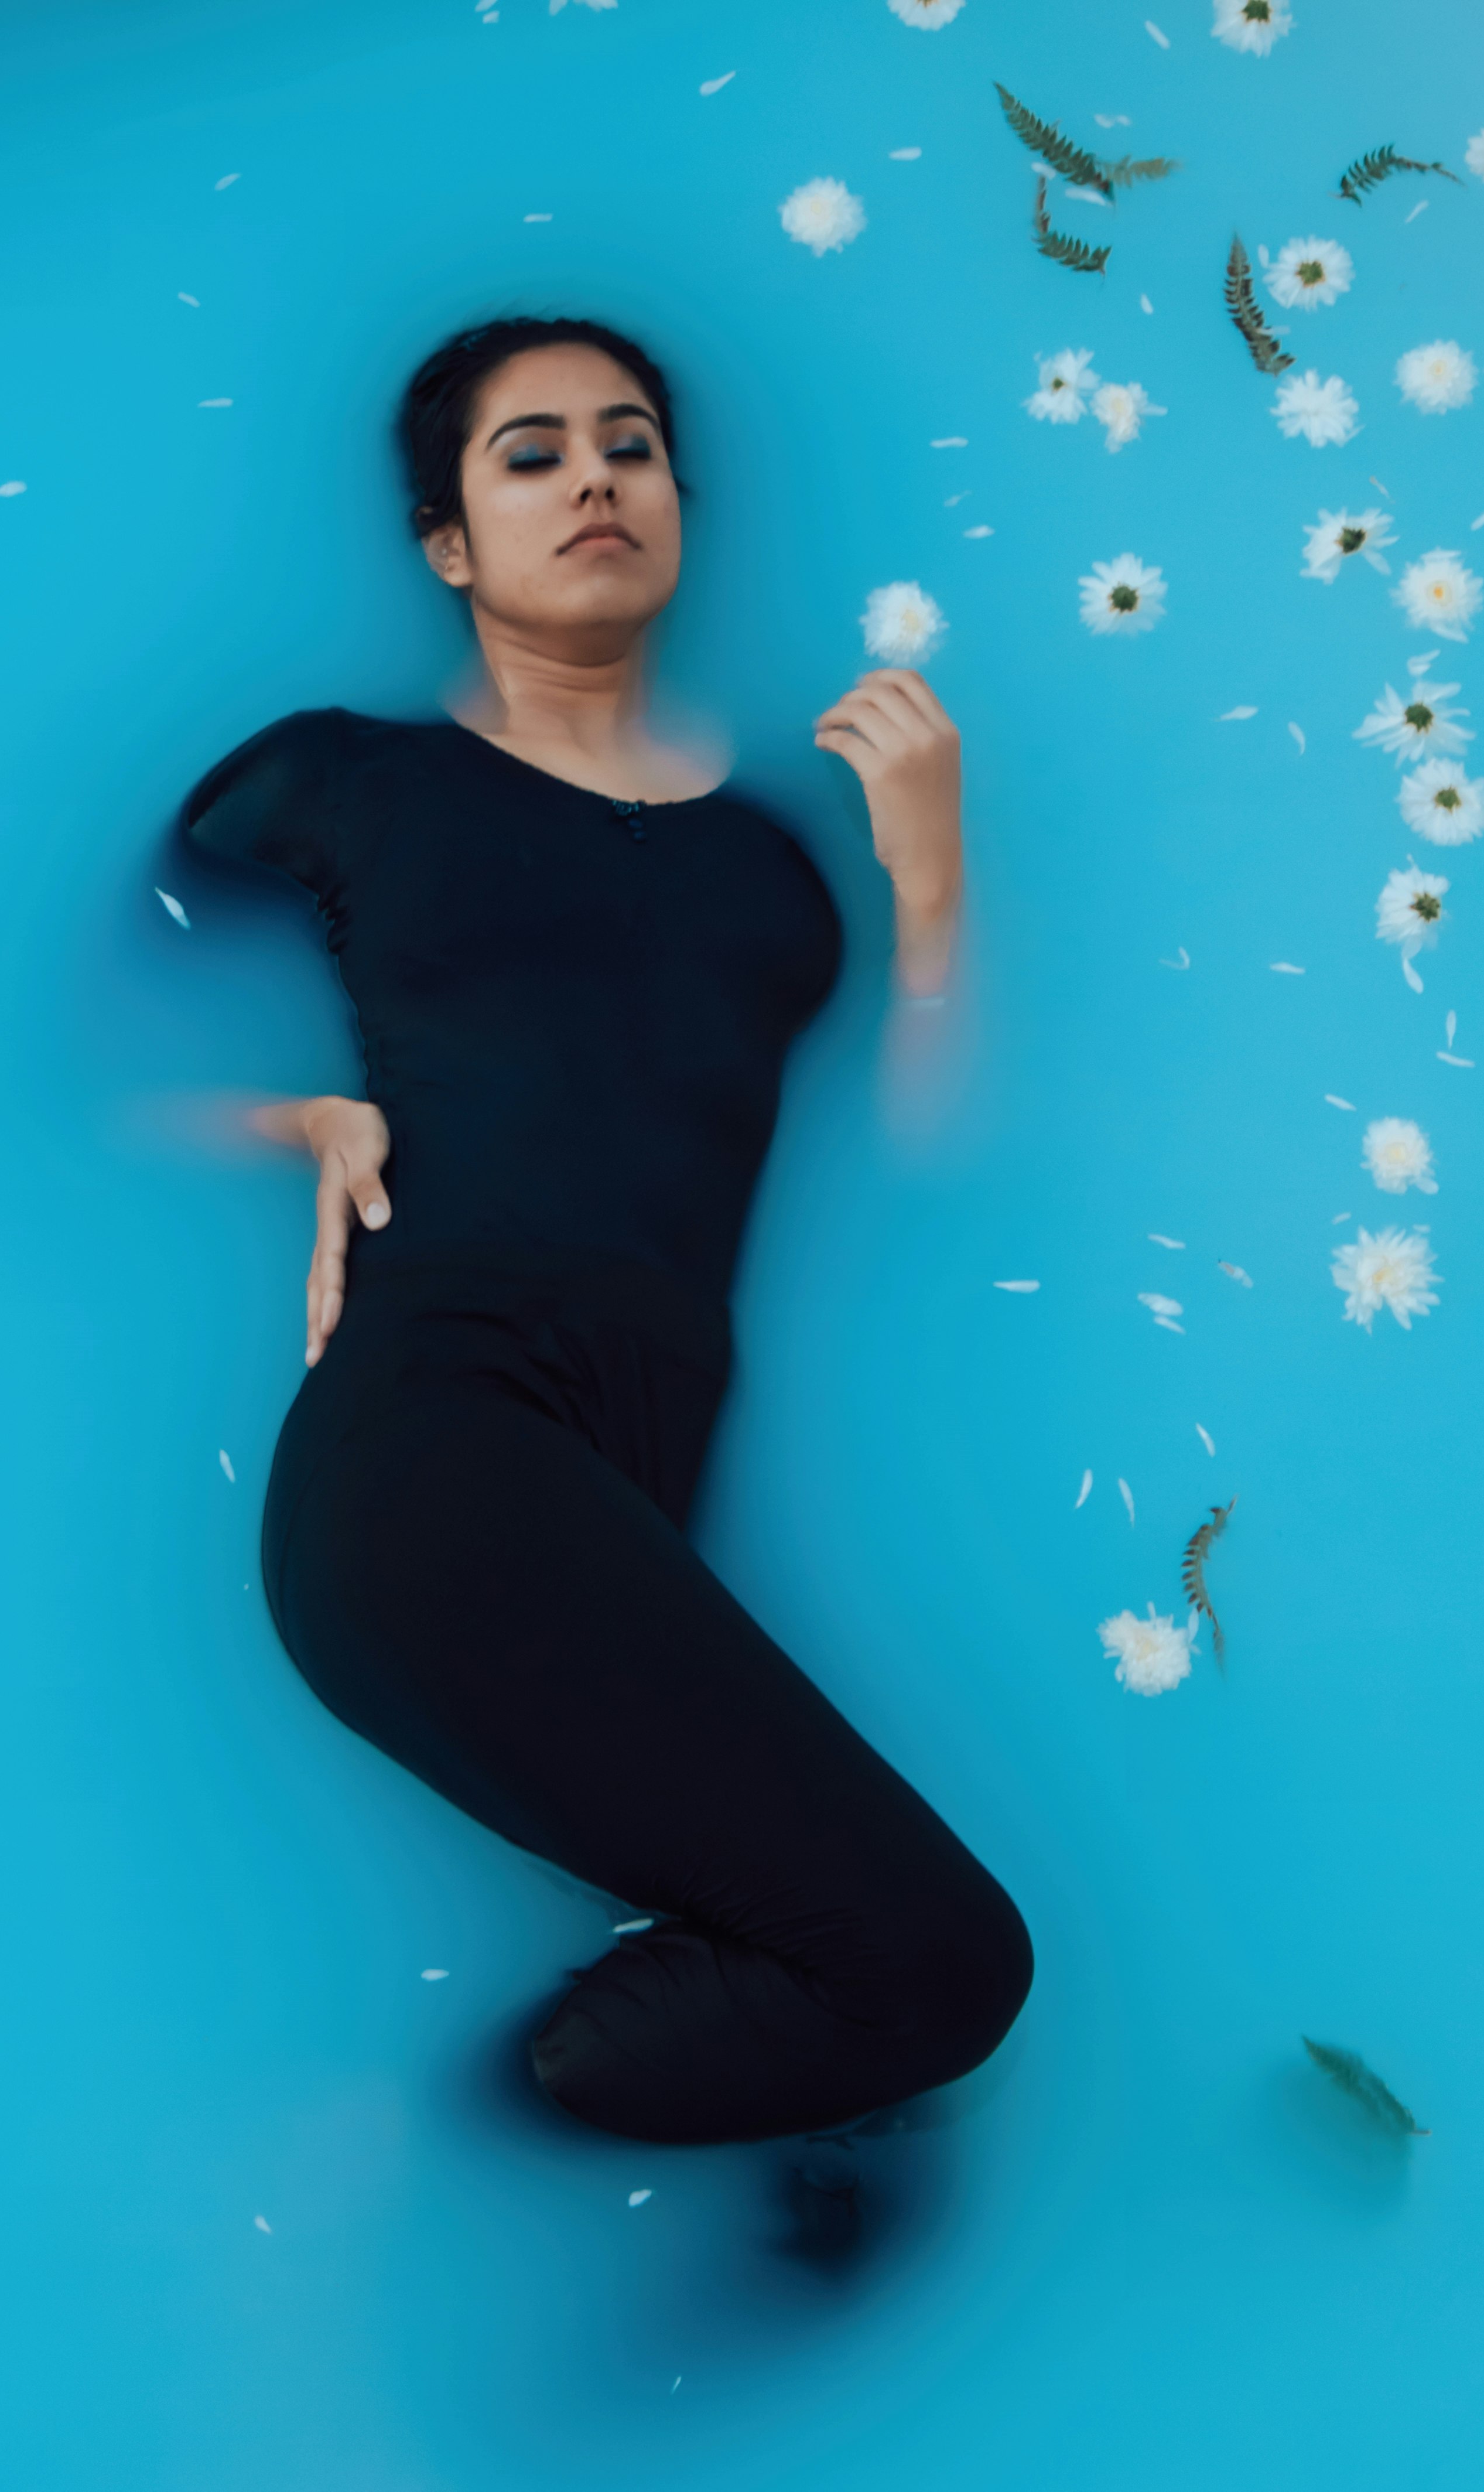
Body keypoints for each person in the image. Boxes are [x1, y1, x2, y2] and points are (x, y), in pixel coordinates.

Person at [172, 315, 1032, 2184]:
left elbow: (932, 1150)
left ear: (681, 509)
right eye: (532, 452)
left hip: (612, 1497)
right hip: (440, 1447)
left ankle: (498, 2156)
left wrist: (935, 869)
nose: (593, 481)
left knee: (906, 1971)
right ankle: (465, 2157)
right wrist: (290, 1120)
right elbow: (63, 1045)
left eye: (629, 444)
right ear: (449, 545)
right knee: (943, 1969)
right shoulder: (333, 783)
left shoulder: (779, 875)